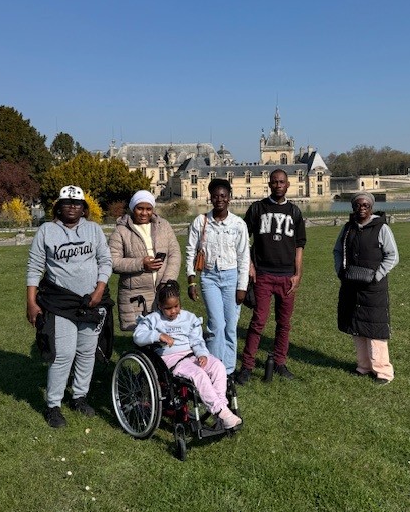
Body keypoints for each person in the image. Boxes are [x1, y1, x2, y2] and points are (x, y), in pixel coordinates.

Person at [26, 185, 113, 428]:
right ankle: (53, 405)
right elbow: (34, 267)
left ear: (84, 208)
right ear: (58, 206)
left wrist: (99, 290)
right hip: (59, 302)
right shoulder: (46, 231)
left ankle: (79, 397)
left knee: (86, 350)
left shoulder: (94, 229)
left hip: (91, 300)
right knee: (63, 353)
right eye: (67, 202)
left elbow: (105, 260)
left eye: (77, 203)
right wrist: (31, 302)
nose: (72, 207)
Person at [133, 280, 242, 430]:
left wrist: (202, 354)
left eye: (176, 306)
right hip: (172, 360)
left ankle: (221, 408)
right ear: (160, 306)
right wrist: (158, 336)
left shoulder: (189, 318)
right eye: (168, 308)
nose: (173, 311)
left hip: (192, 354)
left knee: (218, 366)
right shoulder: (153, 319)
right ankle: (220, 411)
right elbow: (138, 336)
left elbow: (197, 340)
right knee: (199, 375)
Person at [236, 169, 306, 384]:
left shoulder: (294, 212)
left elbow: (299, 245)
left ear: (288, 185)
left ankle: (280, 362)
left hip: (286, 276)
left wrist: (298, 273)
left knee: (284, 323)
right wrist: (249, 265)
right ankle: (247, 366)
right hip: (263, 275)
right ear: (269, 184)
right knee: (258, 322)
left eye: (282, 182)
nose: (278, 185)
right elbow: (243, 238)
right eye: (274, 182)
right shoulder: (257, 208)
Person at [333, 191, 399, 385]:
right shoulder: (348, 228)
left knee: (375, 329)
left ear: (371, 207)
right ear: (353, 207)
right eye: (358, 205)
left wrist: (377, 275)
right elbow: (337, 250)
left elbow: (392, 255)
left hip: (373, 287)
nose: (361, 208)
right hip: (352, 284)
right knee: (357, 326)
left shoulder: (381, 228)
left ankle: (383, 371)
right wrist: (340, 271)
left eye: (365, 205)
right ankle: (363, 366)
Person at [185, 178, 250, 376]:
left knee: (230, 327)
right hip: (209, 278)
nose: (219, 199)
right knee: (216, 325)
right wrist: (191, 280)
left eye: (223, 195)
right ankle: (214, 368)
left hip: (231, 278)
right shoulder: (201, 221)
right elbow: (190, 251)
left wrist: (242, 287)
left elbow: (244, 257)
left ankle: (228, 371)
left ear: (229, 197)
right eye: (215, 196)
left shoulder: (238, 224)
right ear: (210, 198)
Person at [109, 190, 181, 331]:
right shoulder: (121, 231)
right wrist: (141, 264)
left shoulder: (163, 225)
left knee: (165, 334)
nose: (144, 213)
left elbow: (175, 254)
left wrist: (167, 281)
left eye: (148, 209)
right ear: (132, 208)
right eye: (140, 208)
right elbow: (113, 261)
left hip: (162, 290)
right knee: (141, 334)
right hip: (136, 292)